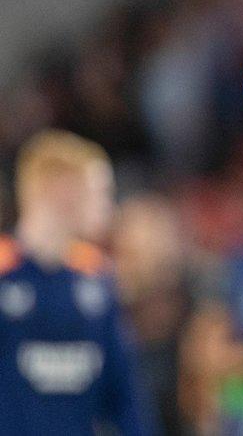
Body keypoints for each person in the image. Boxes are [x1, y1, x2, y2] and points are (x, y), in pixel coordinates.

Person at [0, 129, 156, 434]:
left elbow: (125, 396)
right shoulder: (4, 271)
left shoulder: (97, 277)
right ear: (64, 190)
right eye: (102, 192)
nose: (109, 208)